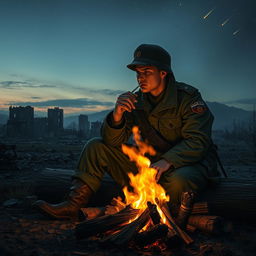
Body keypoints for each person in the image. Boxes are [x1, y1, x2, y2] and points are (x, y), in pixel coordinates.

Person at [34, 44, 220, 219]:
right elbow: (111, 142)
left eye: (147, 72)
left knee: (179, 181)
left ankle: (163, 219)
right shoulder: (136, 101)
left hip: (187, 163)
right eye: (138, 73)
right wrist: (117, 115)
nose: (141, 78)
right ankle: (73, 206)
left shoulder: (188, 98)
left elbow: (198, 141)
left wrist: (167, 161)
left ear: (163, 73)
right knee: (95, 146)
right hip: (151, 164)